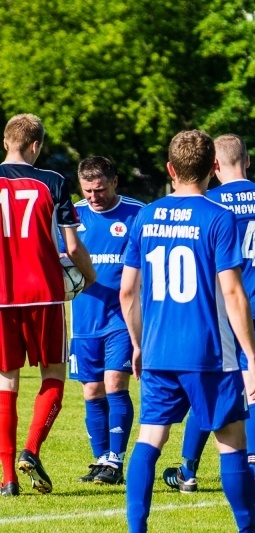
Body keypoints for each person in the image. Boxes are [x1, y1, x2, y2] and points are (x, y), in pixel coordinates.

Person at [120, 130, 255, 532]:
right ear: (213, 168)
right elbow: (233, 291)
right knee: (231, 441)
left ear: (170, 169)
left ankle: (136, 529)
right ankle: (247, 529)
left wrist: (137, 344)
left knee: (150, 439)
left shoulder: (146, 216)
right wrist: (252, 359)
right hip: (208, 353)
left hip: (157, 351)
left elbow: (127, 290)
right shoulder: (218, 217)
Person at [163, 134, 255, 497]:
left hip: (217, 310)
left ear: (214, 166)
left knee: (206, 388)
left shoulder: (209, 200)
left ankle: (187, 469)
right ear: (247, 161)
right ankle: (254, 471)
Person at [0, 114, 96, 496]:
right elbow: (72, 247)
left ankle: (8, 478)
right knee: (53, 374)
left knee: (7, 382)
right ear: (36, 145)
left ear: (6, 141)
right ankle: (32, 449)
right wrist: (89, 277)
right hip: (44, 293)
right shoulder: (53, 182)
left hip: (1, 296)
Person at [63, 157, 143, 486]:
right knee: (92, 390)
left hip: (122, 319)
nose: (94, 196)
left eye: (100, 189)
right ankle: (100, 458)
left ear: (115, 182)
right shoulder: (71, 217)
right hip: (84, 320)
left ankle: (116, 459)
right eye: (87, 190)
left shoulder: (139, 213)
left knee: (114, 384)